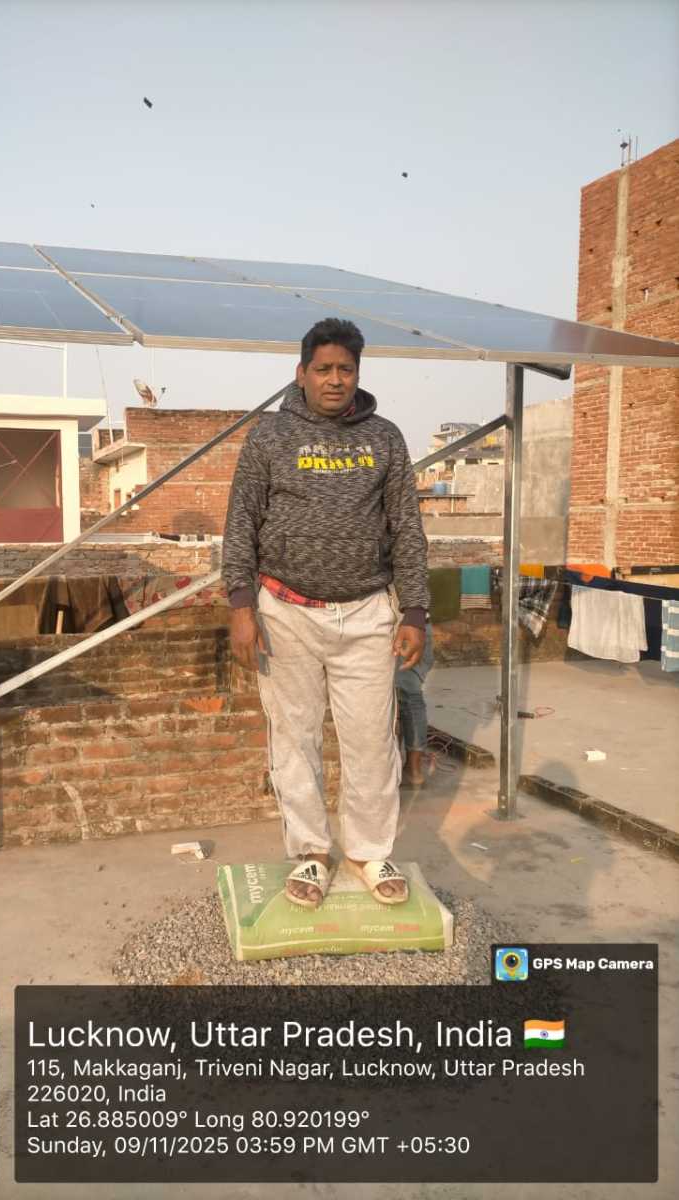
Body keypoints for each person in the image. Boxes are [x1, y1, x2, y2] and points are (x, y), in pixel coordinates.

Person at [222, 318, 429, 909]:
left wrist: (415, 612)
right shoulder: (269, 435)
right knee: (294, 739)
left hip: (367, 614)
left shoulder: (384, 438)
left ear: (358, 374)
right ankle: (311, 853)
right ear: (301, 373)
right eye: (323, 369)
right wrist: (241, 604)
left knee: (372, 742)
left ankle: (369, 851)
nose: (335, 379)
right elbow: (241, 522)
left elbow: (406, 529)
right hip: (285, 611)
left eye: (346, 369)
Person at [395, 621, 434, 786]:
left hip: (402, 625)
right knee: (409, 693)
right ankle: (413, 768)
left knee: (405, 695)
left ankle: (410, 768)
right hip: (418, 623)